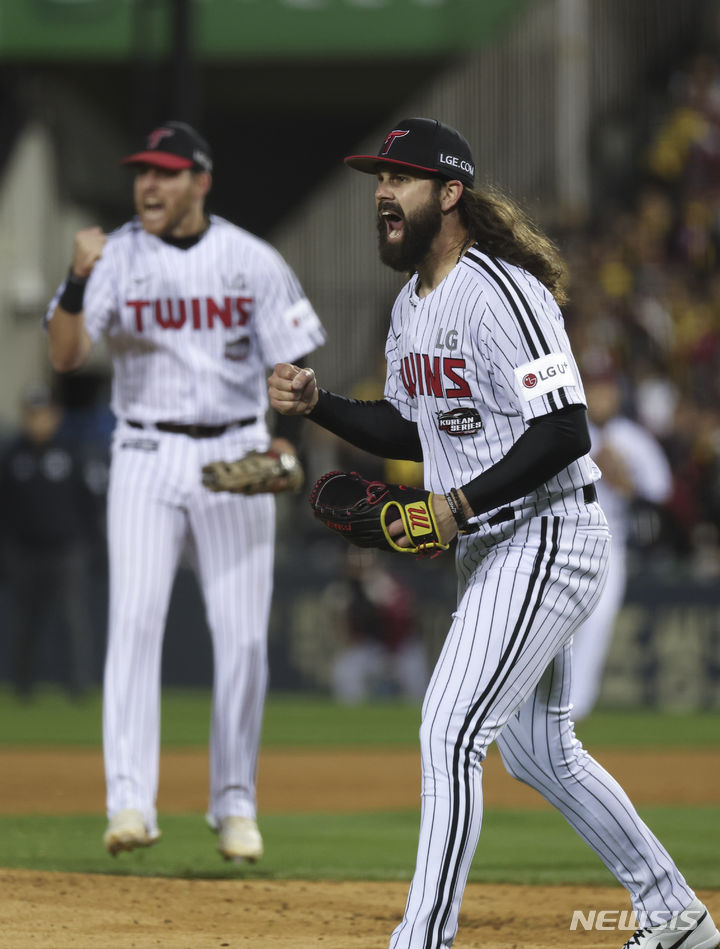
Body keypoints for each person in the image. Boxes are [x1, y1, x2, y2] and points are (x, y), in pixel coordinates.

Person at [268, 118, 719, 949]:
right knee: (540, 750)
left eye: (399, 178)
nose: (382, 194)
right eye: (378, 179)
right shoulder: (409, 306)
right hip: (495, 544)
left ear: (450, 193)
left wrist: (454, 505)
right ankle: (675, 914)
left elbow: (566, 429)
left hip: (547, 531)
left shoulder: (503, 291)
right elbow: (412, 427)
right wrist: (319, 403)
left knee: (449, 729)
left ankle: (422, 939)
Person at [45, 120, 326, 861]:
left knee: (243, 636)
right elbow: (66, 355)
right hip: (144, 448)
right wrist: (76, 279)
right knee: (134, 622)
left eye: (165, 172)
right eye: (143, 171)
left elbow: (295, 364)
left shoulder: (251, 259)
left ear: (200, 181)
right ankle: (129, 801)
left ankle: (235, 803)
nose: (149, 183)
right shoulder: (113, 257)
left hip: (235, 447)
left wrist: (284, 443)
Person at [571, 371, 673, 720]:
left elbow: (660, 492)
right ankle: (546, 702)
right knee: (560, 622)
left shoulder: (632, 438)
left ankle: (576, 708)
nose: (601, 398)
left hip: (612, 543)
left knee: (599, 621)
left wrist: (623, 476)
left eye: (606, 390)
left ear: (616, 394)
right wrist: (591, 465)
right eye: (595, 389)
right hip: (567, 538)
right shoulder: (568, 430)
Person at [0, 383, 97, 698]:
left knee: (73, 619)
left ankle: (79, 686)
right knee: (26, 620)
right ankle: (23, 686)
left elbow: (88, 504)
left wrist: (91, 546)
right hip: (24, 550)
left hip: (66, 549)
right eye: (32, 414)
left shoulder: (72, 452)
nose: (38, 421)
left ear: (55, 416)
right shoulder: (12, 455)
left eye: (43, 414)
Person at [324, 547, 428, 704]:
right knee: (346, 669)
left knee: (416, 681)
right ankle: (352, 713)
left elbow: (405, 620)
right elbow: (345, 631)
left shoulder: (387, 583)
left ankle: (420, 712)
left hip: (402, 649)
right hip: (371, 649)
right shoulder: (344, 588)